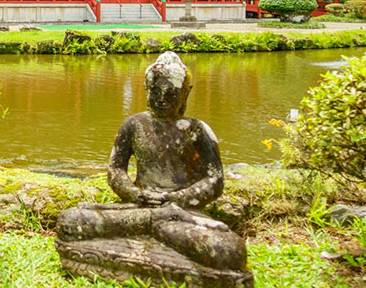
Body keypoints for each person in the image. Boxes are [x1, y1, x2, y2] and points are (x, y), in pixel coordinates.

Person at [56, 52, 247, 272]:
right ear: (146, 90)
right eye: (155, 92)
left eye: (170, 93)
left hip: (179, 215)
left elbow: (214, 180)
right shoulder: (134, 125)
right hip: (138, 210)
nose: (161, 99)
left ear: (185, 94)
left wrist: (177, 198)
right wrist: (135, 193)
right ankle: (154, 228)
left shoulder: (196, 130)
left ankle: (149, 235)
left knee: (227, 251)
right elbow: (116, 171)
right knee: (70, 222)